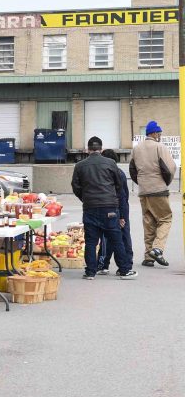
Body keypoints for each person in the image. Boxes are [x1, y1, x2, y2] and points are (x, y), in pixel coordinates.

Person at [71, 137, 137, 280]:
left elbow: (76, 187)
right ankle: (125, 270)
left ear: (88, 149)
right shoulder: (110, 163)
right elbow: (118, 185)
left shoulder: (80, 165)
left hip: (90, 208)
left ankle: (90, 272)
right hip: (109, 208)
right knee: (116, 239)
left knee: (91, 241)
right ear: (101, 148)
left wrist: (85, 198)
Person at [129, 120, 176, 267]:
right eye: (159, 133)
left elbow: (132, 170)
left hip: (144, 191)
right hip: (158, 190)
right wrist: (164, 183)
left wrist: (142, 183)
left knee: (149, 222)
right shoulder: (159, 147)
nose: (160, 135)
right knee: (165, 219)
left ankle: (148, 257)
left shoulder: (136, 149)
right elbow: (169, 168)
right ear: (154, 133)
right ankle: (157, 249)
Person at [96, 149, 133, 275]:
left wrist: (121, 216)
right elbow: (124, 196)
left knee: (110, 238)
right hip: (120, 209)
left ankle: (105, 264)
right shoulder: (119, 173)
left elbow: (121, 196)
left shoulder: (112, 174)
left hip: (114, 209)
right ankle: (125, 265)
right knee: (122, 237)